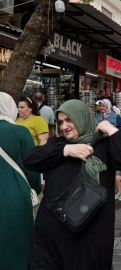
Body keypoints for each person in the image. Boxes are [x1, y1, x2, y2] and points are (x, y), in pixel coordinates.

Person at [24, 100, 121, 270]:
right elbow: (30, 159)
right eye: (61, 121)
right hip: (52, 229)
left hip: (90, 233)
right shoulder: (58, 144)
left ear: (81, 117)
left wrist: (111, 130)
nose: (64, 126)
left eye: (69, 120)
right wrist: (66, 151)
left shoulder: (104, 145)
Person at [0, 92, 41, 270]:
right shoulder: (20, 131)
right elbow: (32, 167)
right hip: (15, 195)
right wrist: (36, 189)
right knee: (17, 238)